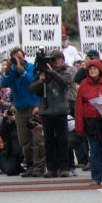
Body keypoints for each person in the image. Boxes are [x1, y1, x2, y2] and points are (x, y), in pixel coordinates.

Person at [1, 48, 46, 177]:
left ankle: (39, 167)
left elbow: (32, 81)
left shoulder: (31, 67)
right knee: (24, 141)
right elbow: (4, 84)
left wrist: (21, 69)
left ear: (24, 57)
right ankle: (30, 165)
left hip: (33, 108)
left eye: (20, 57)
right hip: (20, 110)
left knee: (37, 140)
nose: (18, 60)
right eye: (15, 58)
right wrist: (8, 70)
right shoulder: (12, 70)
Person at [30, 50, 73, 178]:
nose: (58, 61)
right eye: (55, 59)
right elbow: (32, 89)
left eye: (60, 59)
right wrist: (41, 81)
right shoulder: (42, 74)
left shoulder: (66, 73)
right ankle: (52, 168)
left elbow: (65, 82)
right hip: (46, 111)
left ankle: (64, 167)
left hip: (61, 111)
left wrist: (51, 72)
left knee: (63, 140)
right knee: (49, 141)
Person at [75, 59, 102, 185]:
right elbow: (78, 106)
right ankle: (96, 177)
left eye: (95, 68)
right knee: (94, 151)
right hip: (90, 121)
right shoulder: (84, 84)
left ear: (100, 70)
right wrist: (79, 126)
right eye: (90, 69)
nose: (92, 70)